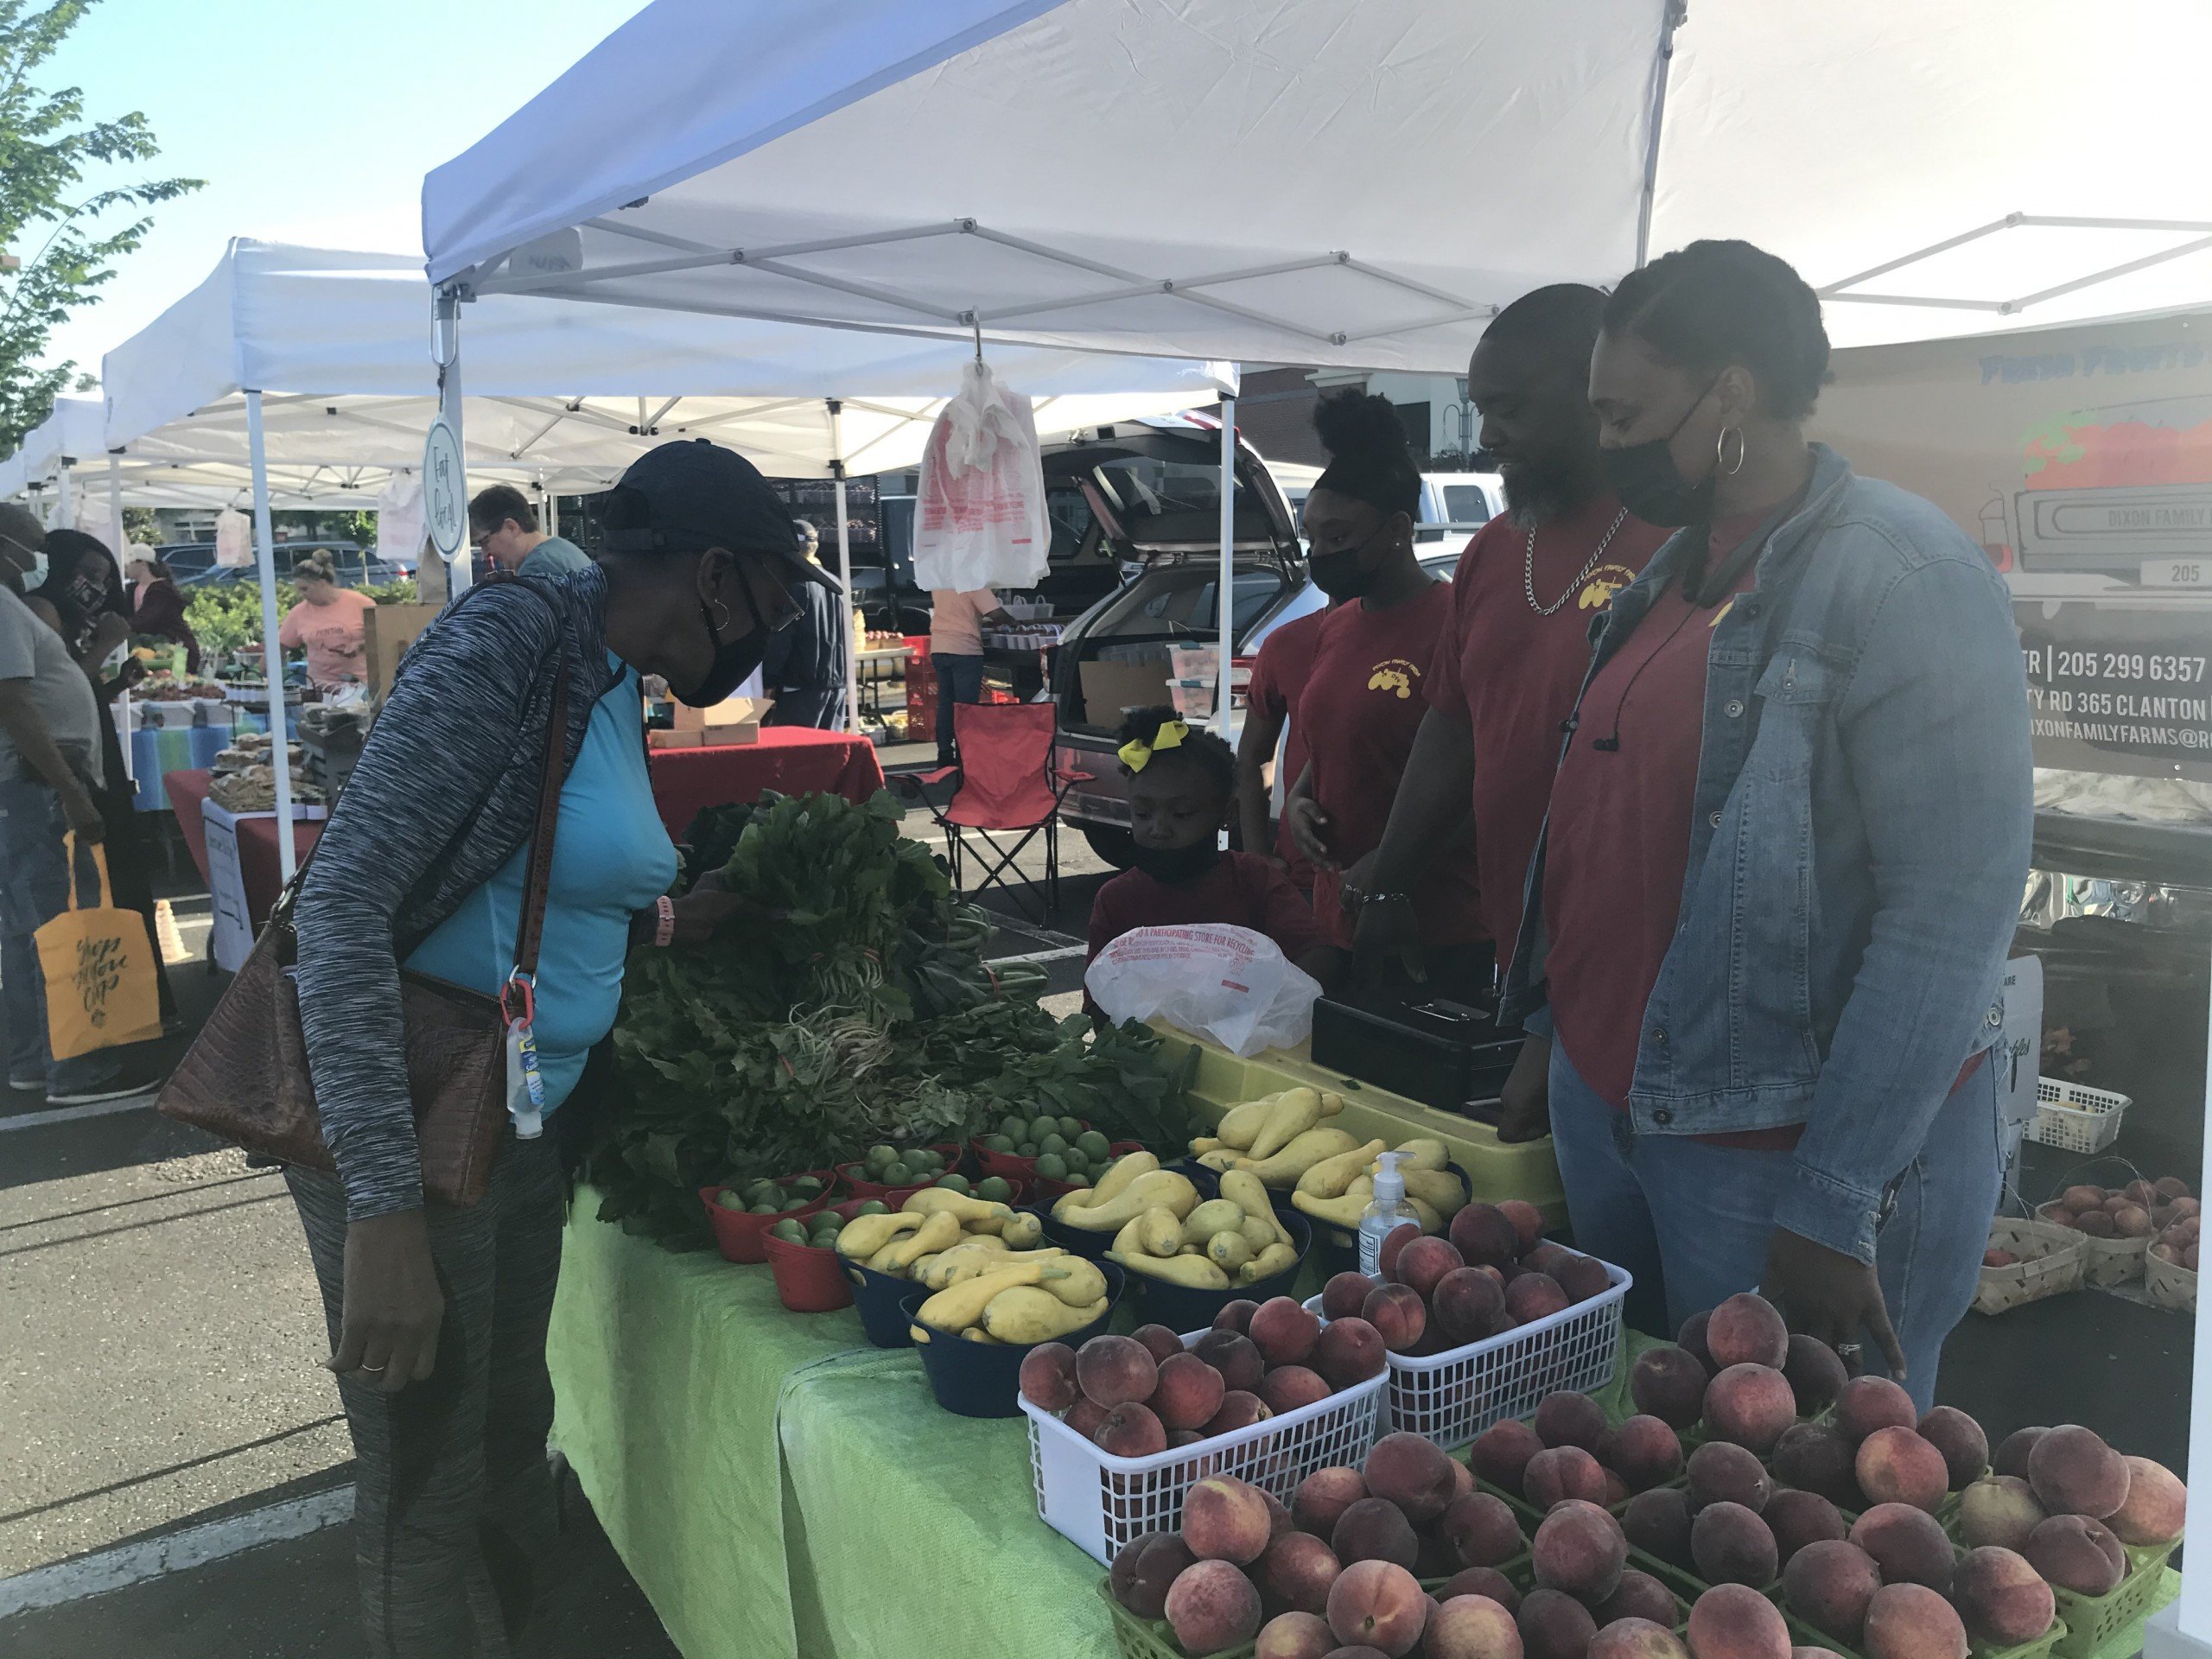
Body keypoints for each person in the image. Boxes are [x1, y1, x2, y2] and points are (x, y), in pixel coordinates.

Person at [287, 437, 827, 1655]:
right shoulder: (512, 643)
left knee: (505, 1435)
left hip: (518, 1114)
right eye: (780, 596)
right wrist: (384, 1212)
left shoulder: (607, 668)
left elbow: (535, 865)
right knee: (425, 1490)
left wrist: (686, 915)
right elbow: (342, 905)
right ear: (712, 574)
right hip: (418, 1126)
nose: (780, 629)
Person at [1502, 240, 2031, 1407]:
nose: (1608, 444)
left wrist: (1833, 1202)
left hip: (1771, 1154)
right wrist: (1554, 1032)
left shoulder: (1906, 574)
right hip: (1619, 1107)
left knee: (1788, 1513)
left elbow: (1950, 916)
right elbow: (1604, 823)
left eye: (1625, 412)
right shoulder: (1675, 571)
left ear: (1731, 393)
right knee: (1643, 1457)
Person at [1354, 284, 1672, 1137]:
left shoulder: (1677, 544)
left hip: (1641, 980)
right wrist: (1387, 874)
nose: (1488, 435)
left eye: (1509, 409)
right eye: (1479, 408)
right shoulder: (1493, 551)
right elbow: (1454, 724)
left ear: (1590, 392)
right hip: (1516, 963)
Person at [1281, 391, 1486, 990]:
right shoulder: (1338, 624)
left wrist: (1394, 864)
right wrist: (1298, 800)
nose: (1321, 555)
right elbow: (1329, 735)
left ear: (1397, 529)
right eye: (1312, 537)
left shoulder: (1458, 622)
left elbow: (1487, 773)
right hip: (1339, 916)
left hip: (1438, 926)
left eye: (1337, 537)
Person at [0, 510, 164, 1103]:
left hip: (33, 786)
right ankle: (75, 1070)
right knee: (57, 928)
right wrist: (70, 788)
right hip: (36, 787)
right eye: (37, 546)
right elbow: (15, 705)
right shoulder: (5, 607)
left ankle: (35, 1061)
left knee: (27, 930)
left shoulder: (10, 604)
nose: (42, 558)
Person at [34, 531, 179, 1028]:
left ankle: (134, 1004)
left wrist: (116, 682)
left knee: (118, 878)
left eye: (102, 577)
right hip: (76, 770)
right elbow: (54, 690)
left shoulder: (65, 619)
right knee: (100, 886)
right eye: (88, 576)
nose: (96, 588)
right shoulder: (40, 613)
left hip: (97, 759)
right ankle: (111, 1013)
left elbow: (79, 690)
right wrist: (106, 644)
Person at [1086, 707, 1333, 992]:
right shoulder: (1117, 900)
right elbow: (1097, 999)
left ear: (1227, 814)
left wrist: (1266, 998)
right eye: (1142, 814)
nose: (1159, 829)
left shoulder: (1254, 881)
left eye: (1181, 814)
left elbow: (1319, 956)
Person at [760, 518, 850, 728]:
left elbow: (781, 637)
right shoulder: (836, 584)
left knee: (800, 755)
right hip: (836, 682)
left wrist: (768, 681)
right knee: (831, 752)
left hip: (800, 684)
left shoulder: (794, 586)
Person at [927, 584, 1014, 766]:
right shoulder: (972, 582)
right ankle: (965, 754)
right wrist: (1016, 623)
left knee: (946, 704)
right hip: (964, 650)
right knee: (966, 707)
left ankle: (944, 754)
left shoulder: (942, 580)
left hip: (939, 647)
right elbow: (997, 615)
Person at [276, 551, 378, 689]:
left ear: (322, 583)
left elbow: (384, 639)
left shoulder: (361, 603)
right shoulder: (299, 612)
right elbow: (279, 647)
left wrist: (360, 645)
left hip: (362, 686)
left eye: (305, 589)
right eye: (299, 590)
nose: (302, 595)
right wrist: (271, 676)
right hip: (319, 689)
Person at [469, 483, 590, 578]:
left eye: (485, 541)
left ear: (511, 527)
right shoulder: (561, 549)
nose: (484, 554)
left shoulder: (538, 569)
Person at [125, 548, 200, 672]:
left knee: (174, 687)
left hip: (177, 650)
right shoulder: (132, 590)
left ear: (143, 564)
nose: (126, 567)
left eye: (130, 563)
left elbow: (146, 619)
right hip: (150, 653)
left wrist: (123, 628)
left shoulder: (162, 590)